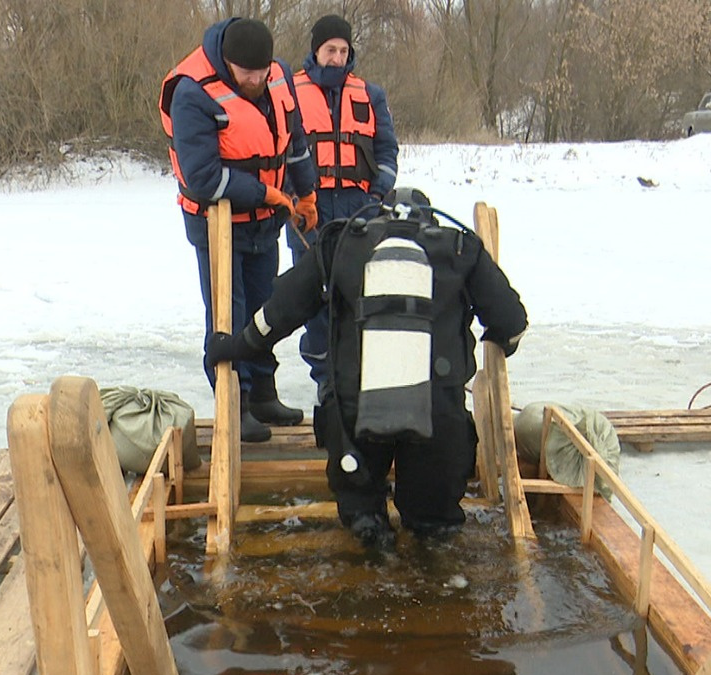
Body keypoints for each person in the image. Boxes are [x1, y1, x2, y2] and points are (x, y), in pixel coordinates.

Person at [206, 188, 528, 547]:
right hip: (439, 429)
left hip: (353, 428)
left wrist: (235, 346)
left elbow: (280, 311)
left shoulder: (340, 245)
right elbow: (512, 320)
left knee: (365, 528)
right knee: (435, 534)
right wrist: (502, 340)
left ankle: (368, 530)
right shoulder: (460, 250)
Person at [159, 18, 320, 443]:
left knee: (266, 307)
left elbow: (295, 141)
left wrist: (306, 194)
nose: (257, 79)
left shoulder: (278, 77)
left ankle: (264, 393)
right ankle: (238, 403)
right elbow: (203, 177)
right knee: (228, 315)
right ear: (227, 63)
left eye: (262, 70)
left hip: (264, 224)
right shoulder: (193, 93)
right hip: (217, 224)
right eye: (247, 73)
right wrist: (267, 193)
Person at [286, 14, 400, 395]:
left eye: (342, 50)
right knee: (313, 298)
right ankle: (326, 385)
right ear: (315, 50)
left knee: (360, 296)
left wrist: (377, 195)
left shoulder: (370, 94)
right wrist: (294, 197)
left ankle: (359, 385)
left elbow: (387, 151)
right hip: (309, 208)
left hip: (359, 207)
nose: (336, 57)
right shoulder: (290, 91)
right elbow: (279, 149)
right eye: (329, 49)